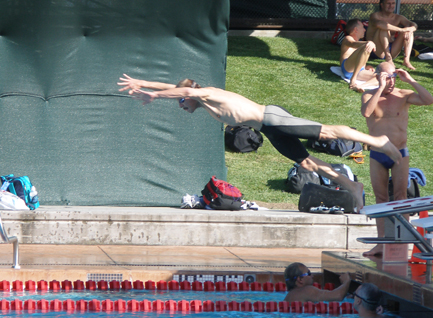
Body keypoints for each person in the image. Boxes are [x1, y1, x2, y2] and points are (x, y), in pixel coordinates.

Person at [118, 74, 403, 209]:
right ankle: (351, 185)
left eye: (181, 101)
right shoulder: (202, 101)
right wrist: (142, 84)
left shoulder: (206, 93)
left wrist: (154, 95)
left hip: (273, 118)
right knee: (305, 162)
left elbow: (178, 91)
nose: (180, 106)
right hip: (269, 128)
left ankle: (375, 140)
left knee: (326, 132)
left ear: (188, 94)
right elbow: (173, 88)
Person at [361, 61, 433, 256]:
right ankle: (381, 243)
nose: (391, 81)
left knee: (401, 197)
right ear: (377, 76)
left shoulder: (403, 95)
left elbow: (429, 100)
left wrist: (409, 80)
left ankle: (401, 242)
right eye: (386, 77)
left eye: (393, 77)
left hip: (400, 152)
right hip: (378, 154)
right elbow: (366, 112)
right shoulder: (369, 95)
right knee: (380, 198)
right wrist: (381, 88)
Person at [366, 0, 418, 70]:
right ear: (382, 5)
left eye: (393, 3)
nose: (391, 6)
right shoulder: (374, 16)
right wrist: (402, 29)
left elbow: (413, 24)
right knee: (383, 29)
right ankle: (388, 59)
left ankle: (406, 60)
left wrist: (410, 29)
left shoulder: (398, 17)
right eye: (388, 3)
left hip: (392, 50)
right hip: (376, 51)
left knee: (409, 32)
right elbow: (381, 24)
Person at [340, 19, 377, 93]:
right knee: (367, 46)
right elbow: (353, 44)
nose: (364, 30)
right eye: (363, 27)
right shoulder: (347, 38)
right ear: (356, 29)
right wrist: (369, 42)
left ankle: (360, 86)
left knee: (383, 77)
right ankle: (353, 80)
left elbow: (360, 60)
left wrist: (366, 67)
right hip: (348, 68)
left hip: (360, 71)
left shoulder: (362, 43)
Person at [283, 262, 351, 303]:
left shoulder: (288, 296)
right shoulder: (307, 291)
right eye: (308, 273)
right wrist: (346, 281)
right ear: (300, 279)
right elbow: (338, 296)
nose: (312, 276)